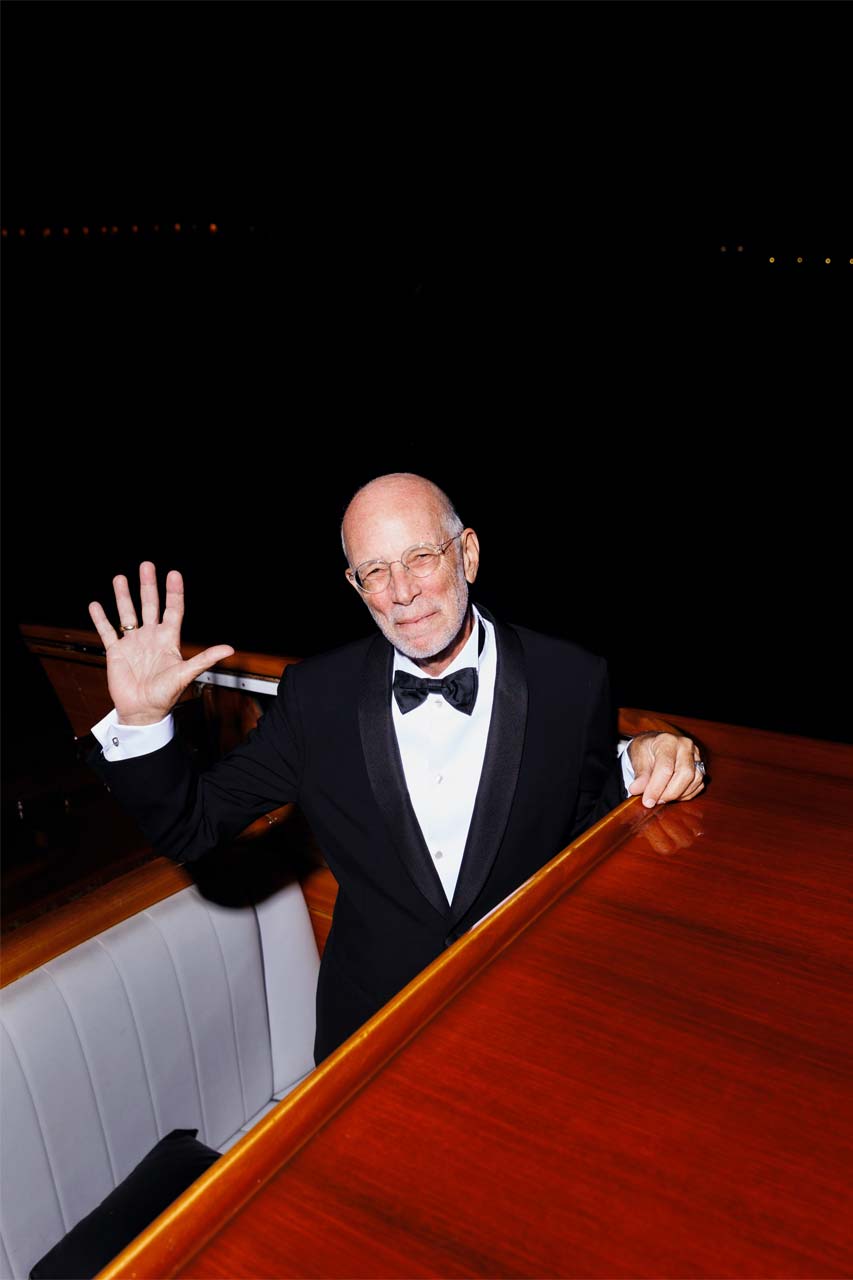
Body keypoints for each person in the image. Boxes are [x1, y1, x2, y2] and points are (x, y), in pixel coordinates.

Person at [86, 473, 704, 1062]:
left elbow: (582, 815)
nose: (401, 591)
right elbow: (191, 827)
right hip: (371, 1027)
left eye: (420, 558)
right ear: (355, 585)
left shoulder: (571, 679)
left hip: (531, 1014)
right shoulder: (315, 698)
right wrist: (141, 722)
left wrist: (639, 757)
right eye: (375, 571)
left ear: (468, 554)